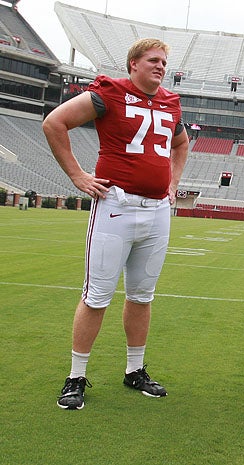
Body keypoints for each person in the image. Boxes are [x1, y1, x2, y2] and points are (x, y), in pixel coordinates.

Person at [43, 38, 189, 410]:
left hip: (157, 210)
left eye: (163, 62)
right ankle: (75, 376)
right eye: (153, 60)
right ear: (133, 64)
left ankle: (134, 370)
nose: (160, 66)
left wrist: (173, 183)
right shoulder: (108, 92)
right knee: (97, 296)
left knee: (142, 295)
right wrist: (77, 176)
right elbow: (55, 122)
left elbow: (181, 143)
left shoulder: (171, 102)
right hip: (116, 205)